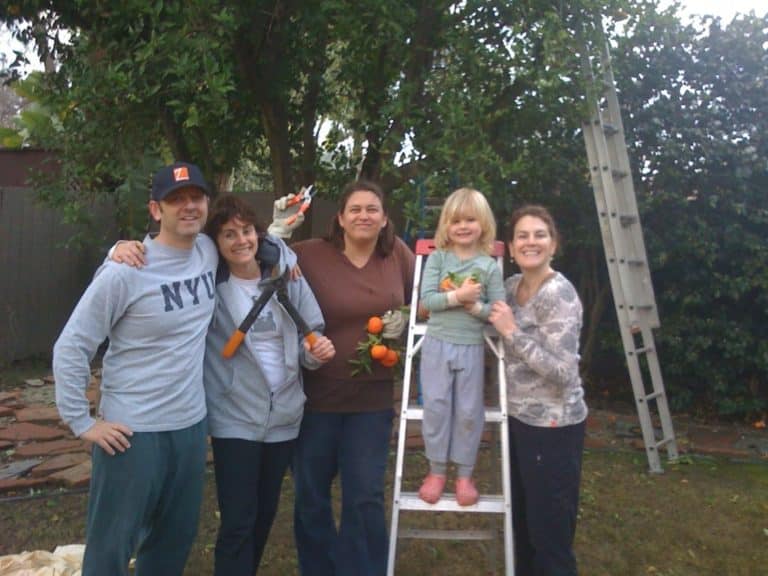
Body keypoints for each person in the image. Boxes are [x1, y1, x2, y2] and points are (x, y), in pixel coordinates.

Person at [53, 161, 216, 576]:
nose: (188, 207)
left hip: (190, 426)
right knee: (111, 546)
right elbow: (72, 345)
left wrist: (283, 244)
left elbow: (252, 246)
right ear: (156, 210)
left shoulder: (208, 251)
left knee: (172, 542)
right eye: (175, 200)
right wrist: (81, 421)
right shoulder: (125, 271)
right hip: (132, 434)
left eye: (195, 197)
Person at [202, 194, 335, 575]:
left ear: (258, 234)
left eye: (246, 231)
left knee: (263, 517)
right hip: (234, 416)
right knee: (238, 521)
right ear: (216, 243)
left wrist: (317, 353)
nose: (240, 240)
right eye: (229, 234)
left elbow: (310, 334)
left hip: (285, 417)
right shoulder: (212, 288)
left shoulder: (286, 277)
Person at [290, 179, 415, 576]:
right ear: (340, 218)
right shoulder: (309, 255)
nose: (364, 215)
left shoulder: (396, 255)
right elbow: (249, 257)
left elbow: (428, 297)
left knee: (364, 497)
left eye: (372, 209)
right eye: (355, 209)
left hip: (372, 402)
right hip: (315, 401)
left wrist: (409, 321)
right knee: (311, 496)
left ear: (384, 218)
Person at [488, 205, 588, 576]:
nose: (531, 242)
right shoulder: (512, 288)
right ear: (510, 248)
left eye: (539, 235)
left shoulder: (559, 294)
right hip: (515, 421)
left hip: (552, 427)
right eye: (522, 236)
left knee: (550, 536)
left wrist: (512, 332)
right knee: (521, 527)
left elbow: (563, 371)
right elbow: (486, 318)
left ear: (553, 243)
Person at [417, 187, 505, 506]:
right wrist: (457, 297)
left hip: (470, 346)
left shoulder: (488, 267)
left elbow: (498, 311)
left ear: (483, 223)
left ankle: (465, 474)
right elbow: (427, 302)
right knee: (437, 406)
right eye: (456, 221)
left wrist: (475, 309)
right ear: (446, 225)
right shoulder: (439, 258)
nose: (463, 226)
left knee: (468, 411)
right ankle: (437, 471)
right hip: (437, 344)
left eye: (471, 219)